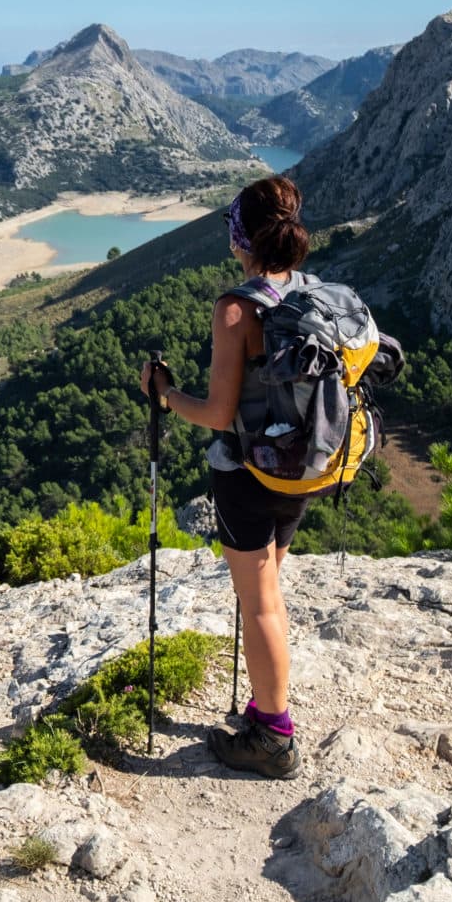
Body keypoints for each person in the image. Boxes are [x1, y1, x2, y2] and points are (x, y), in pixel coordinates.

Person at [137, 176, 310, 779]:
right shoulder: (311, 293)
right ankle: (266, 701)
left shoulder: (237, 308)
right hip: (303, 469)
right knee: (268, 591)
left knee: (257, 600)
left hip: (248, 473)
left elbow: (216, 412)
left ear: (242, 236)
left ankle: (274, 736)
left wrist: (164, 394)